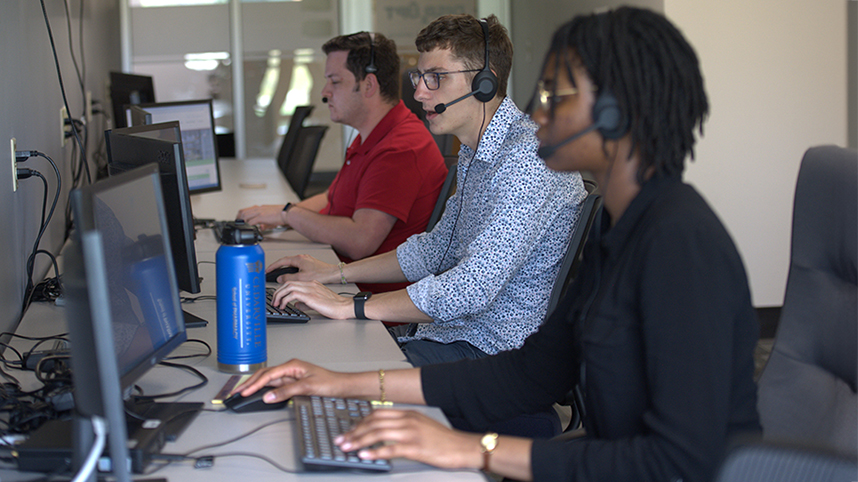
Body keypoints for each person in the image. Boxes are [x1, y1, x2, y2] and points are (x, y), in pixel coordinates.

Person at [234, 7, 762, 482]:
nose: (537, 109)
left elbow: (679, 463)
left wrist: (473, 450)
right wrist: (338, 384)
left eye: (557, 93)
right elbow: (531, 373)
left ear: (616, 113)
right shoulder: (619, 234)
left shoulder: (682, 245)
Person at [267, 14, 585, 366]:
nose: (418, 92)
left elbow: (470, 288)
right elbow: (433, 252)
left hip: (492, 354)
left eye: (436, 78)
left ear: (484, 84)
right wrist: (335, 273)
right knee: (314, 342)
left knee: (329, 365)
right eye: (419, 77)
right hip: (449, 334)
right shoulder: (475, 153)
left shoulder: (528, 158)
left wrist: (350, 305)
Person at [237, 32, 448, 294]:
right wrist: (277, 218)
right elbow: (332, 197)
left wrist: (288, 213)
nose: (325, 93)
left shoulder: (400, 148)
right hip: (342, 280)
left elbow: (361, 241)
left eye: (335, 82)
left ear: (369, 85)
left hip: (368, 301)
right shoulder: (373, 135)